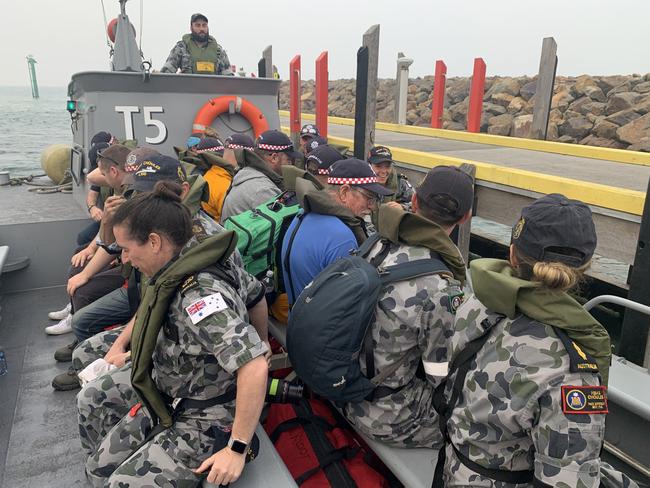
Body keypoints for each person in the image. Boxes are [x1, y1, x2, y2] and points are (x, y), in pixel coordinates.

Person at [436, 193, 639, 487]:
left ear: (513, 254)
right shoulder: (570, 370)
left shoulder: (474, 305)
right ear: (586, 266)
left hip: (454, 467)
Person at [83, 182, 268, 487]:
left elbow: (255, 365)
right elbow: (255, 292)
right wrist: (260, 340)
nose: (125, 258)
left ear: (154, 242)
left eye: (128, 249)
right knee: (98, 467)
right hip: (171, 393)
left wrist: (236, 448)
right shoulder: (180, 263)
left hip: (206, 416)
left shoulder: (199, 297)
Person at [342, 165, 473, 448]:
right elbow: (441, 376)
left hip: (344, 387)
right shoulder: (441, 288)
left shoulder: (376, 244)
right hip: (388, 418)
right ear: (465, 218)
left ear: (413, 202)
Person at [45, 144, 133, 336]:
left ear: (113, 171)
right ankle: (74, 313)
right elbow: (110, 243)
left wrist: (87, 273)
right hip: (124, 260)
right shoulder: (119, 192)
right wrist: (92, 249)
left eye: (104, 173)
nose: (101, 178)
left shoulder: (131, 199)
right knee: (80, 261)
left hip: (134, 273)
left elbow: (114, 246)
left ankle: (81, 334)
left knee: (84, 290)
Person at [281, 158, 392, 304]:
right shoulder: (341, 236)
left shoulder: (303, 213)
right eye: (369, 198)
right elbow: (352, 300)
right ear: (344, 192)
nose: (372, 207)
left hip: (297, 315)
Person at [220, 130, 299, 222]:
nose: (291, 165)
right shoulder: (263, 190)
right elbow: (283, 226)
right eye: (288, 160)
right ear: (274, 158)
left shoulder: (248, 172)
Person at [160, 13, 232, 75]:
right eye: (197, 25)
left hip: (212, 90)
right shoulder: (182, 48)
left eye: (204, 25)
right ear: (191, 28)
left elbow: (229, 79)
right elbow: (166, 73)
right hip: (188, 90)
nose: (201, 29)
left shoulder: (218, 50)